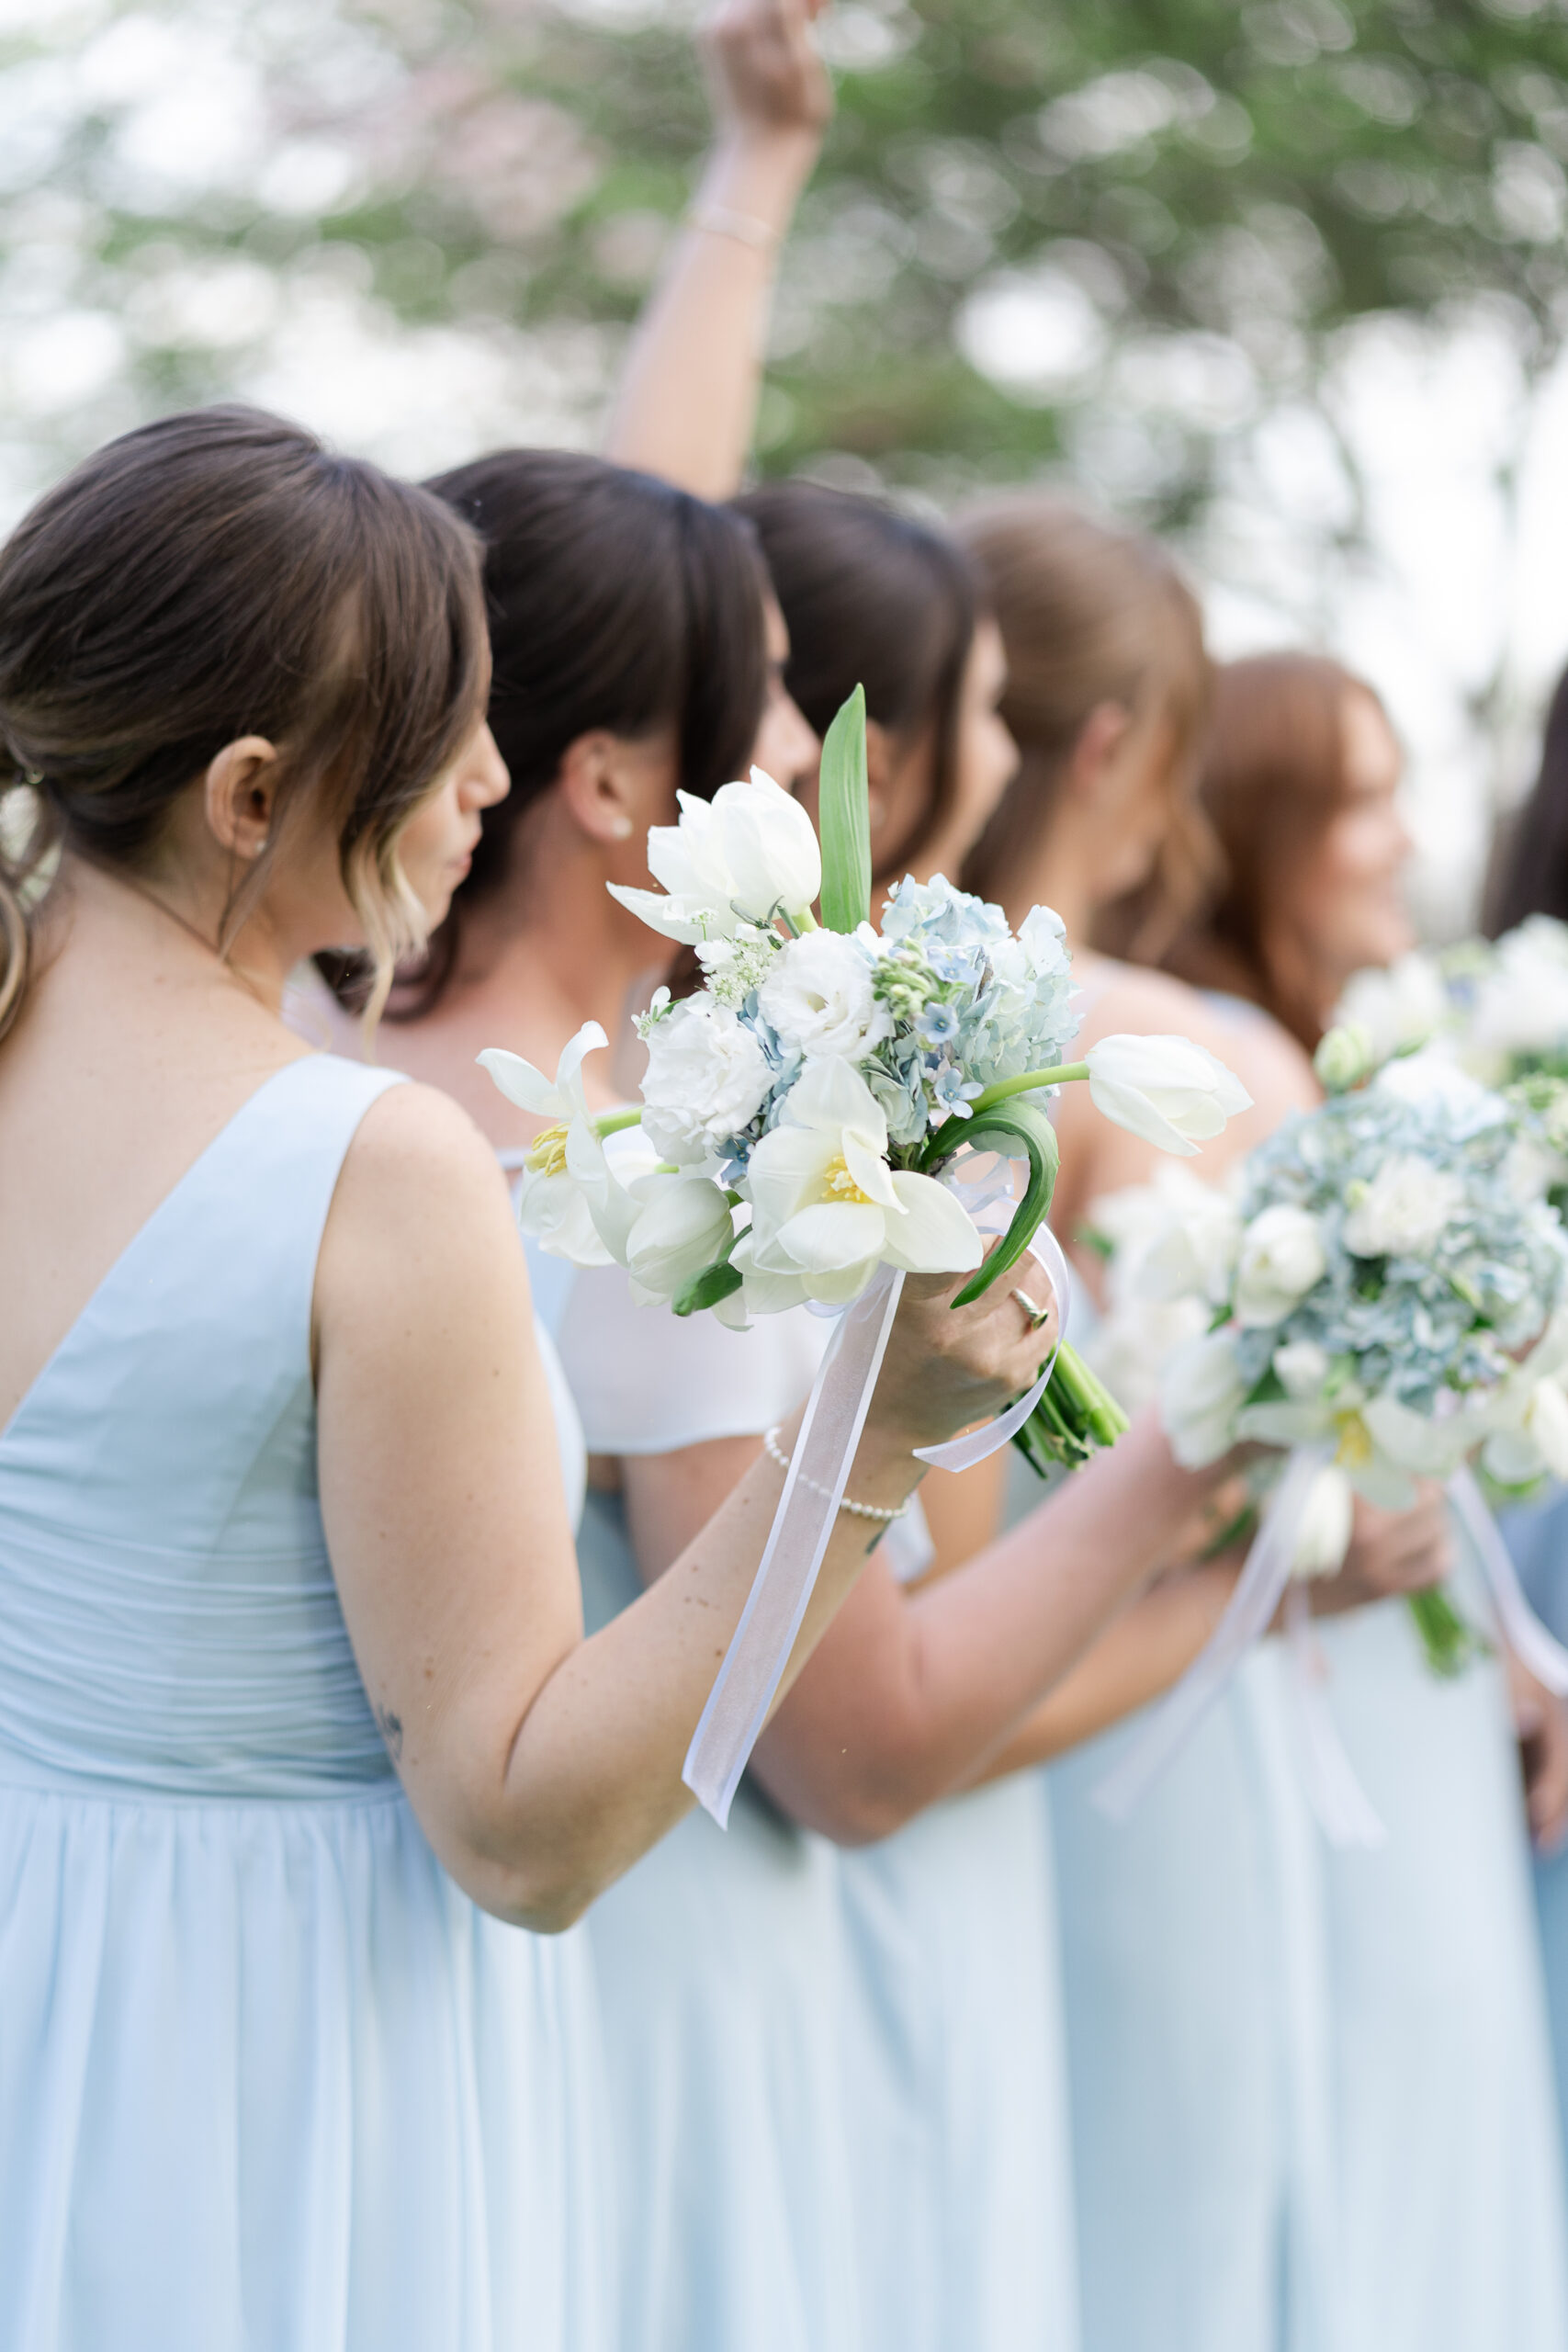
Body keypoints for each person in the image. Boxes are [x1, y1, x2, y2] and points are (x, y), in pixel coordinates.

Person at [0, 406, 1057, 2351]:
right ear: (251, 797)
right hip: (291, 2066)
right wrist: (871, 1431)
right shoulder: (361, 1170)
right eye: (448, 731)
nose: (492, 774)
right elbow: (522, 1831)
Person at [1165, 650, 1568, 2352]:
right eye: (1363, 799)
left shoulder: (1374, 1072)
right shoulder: (1225, 1088)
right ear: (1259, 830)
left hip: (1434, 1697)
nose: (1404, 844)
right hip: (1308, 1721)